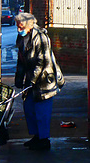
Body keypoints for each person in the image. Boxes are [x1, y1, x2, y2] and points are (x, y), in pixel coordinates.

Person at [14, 12, 62, 151]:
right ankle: (36, 136)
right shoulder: (22, 38)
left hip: (44, 80)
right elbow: (21, 60)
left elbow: (43, 62)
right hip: (32, 79)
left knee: (42, 111)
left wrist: (32, 80)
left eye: (21, 26)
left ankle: (44, 139)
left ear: (29, 25)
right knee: (29, 108)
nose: (19, 30)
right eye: (17, 26)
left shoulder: (41, 37)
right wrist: (19, 79)